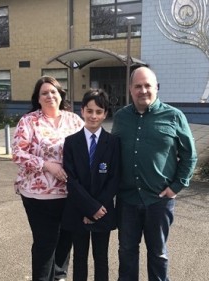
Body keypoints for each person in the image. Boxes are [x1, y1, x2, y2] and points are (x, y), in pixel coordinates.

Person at [111, 66, 198, 281]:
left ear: (156, 88)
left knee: (158, 253)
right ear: (130, 89)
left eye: (147, 85)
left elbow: (190, 155)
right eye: (138, 86)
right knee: (127, 252)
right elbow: (112, 154)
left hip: (158, 200)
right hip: (127, 200)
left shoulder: (174, 116)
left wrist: (176, 187)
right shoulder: (121, 117)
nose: (143, 90)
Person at [12, 76, 84, 281]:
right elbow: (18, 153)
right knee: (46, 243)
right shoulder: (29, 121)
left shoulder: (74, 120)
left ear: (61, 95)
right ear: (38, 98)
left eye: (53, 92)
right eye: (44, 93)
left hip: (69, 194)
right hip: (38, 196)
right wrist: (46, 165)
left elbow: (86, 150)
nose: (50, 96)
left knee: (65, 241)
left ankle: (59, 277)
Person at [61, 89, 121, 281]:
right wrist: (88, 209)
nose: (93, 116)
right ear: (82, 111)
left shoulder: (113, 142)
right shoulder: (71, 142)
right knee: (80, 258)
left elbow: (115, 178)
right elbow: (71, 179)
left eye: (98, 111)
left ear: (105, 114)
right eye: (90, 110)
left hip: (103, 211)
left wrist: (97, 209)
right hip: (78, 211)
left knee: (101, 257)